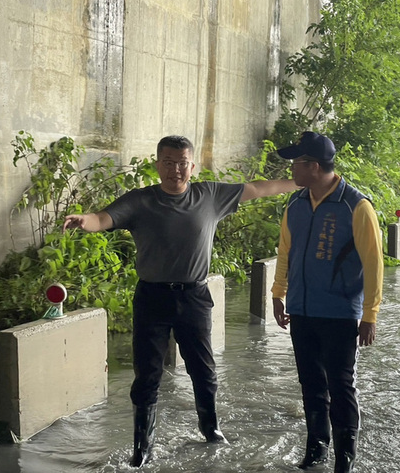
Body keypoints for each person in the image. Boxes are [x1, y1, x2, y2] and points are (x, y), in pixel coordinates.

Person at [63, 135, 298, 468]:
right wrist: (84, 220)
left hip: (195, 297)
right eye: (169, 163)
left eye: (182, 163)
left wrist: (297, 181)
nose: (176, 170)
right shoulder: (140, 201)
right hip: (152, 298)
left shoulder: (210, 195)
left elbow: (257, 188)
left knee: (203, 371)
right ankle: (141, 446)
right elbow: (103, 219)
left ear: (192, 166)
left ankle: (211, 429)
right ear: (158, 164)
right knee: (147, 375)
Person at [271, 131, 384, 473]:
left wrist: (370, 314)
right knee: (311, 384)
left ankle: (345, 458)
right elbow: (285, 251)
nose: (291, 170)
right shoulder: (296, 204)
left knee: (340, 383)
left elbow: (373, 262)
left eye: (296, 163)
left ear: (314, 166)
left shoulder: (356, 206)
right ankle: (316, 449)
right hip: (302, 310)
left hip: (339, 313)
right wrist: (278, 294)